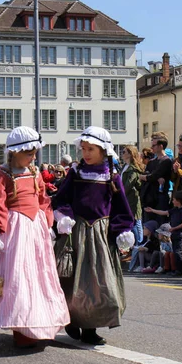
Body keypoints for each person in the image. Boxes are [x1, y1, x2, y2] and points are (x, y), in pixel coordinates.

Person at [0, 126, 69, 348]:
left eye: (34, 153)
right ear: (15, 152)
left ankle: (37, 322)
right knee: (17, 278)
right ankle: (21, 327)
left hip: (34, 230)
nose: (33, 157)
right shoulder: (2, 174)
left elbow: (43, 199)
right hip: (15, 230)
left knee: (39, 277)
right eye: (29, 153)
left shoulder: (34, 172)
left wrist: (50, 222)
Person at [52, 126, 134, 345]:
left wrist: (123, 229)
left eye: (91, 149)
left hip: (100, 236)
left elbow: (121, 208)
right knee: (71, 280)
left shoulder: (112, 177)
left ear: (103, 151)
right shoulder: (76, 173)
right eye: (84, 149)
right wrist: (64, 216)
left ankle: (90, 328)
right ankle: (71, 319)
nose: (86, 153)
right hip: (76, 232)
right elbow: (61, 199)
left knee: (99, 284)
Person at [144, 191, 182, 276]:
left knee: (178, 252)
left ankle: (179, 270)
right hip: (174, 233)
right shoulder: (175, 210)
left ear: (179, 201)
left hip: (180, 234)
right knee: (174, 251)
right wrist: (153, 210)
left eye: (174, 199)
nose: (172, 201)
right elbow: (164, 212)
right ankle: (173, 269)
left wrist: (174, 228)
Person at [140, 136, 172, 224]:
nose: (151, 148)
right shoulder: (151, 161)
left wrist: (147, 177)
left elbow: (152, 176)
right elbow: (147, 175)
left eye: (154, 145)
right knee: (148, 224)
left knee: (160, 224)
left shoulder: (166, 161)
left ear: (161, 146)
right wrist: (147, 177)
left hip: (160, 197)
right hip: (149, 196)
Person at [120, 145, 144, 247]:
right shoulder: (125, 167)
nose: (122, 153)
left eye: (124, 152)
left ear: (130, 154)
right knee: (131, 223)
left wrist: (119, 193)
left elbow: (128, 185)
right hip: (126, 199)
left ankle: (139, 246)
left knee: (136, 222)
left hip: (132, 199)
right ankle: (134, 247)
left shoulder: (133, 169)